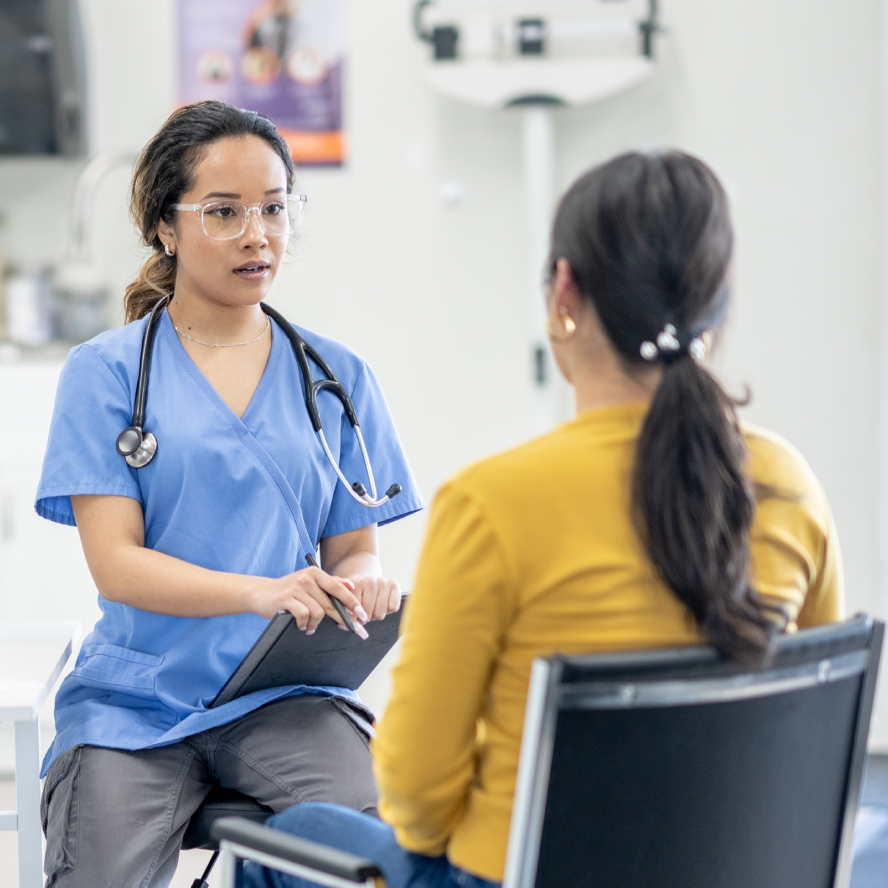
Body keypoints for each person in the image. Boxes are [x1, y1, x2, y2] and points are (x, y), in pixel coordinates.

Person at [243, 149, 844, 888]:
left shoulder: (494, 504)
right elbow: (811, 727)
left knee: (285, 838)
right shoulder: (790, 486)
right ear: (713, 309)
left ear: (565, 292)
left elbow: (417, 804)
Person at [35, 100, 423, 888]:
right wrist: (262, 592)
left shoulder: (338, 376)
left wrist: (359, 580)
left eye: (276, 208)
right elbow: (117, 564)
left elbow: (352, 541)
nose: (259, 234)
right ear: (166, 229)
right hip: (134, 704)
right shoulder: (106, 373)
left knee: (379, 855)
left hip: (283, 696)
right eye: (224, 213)